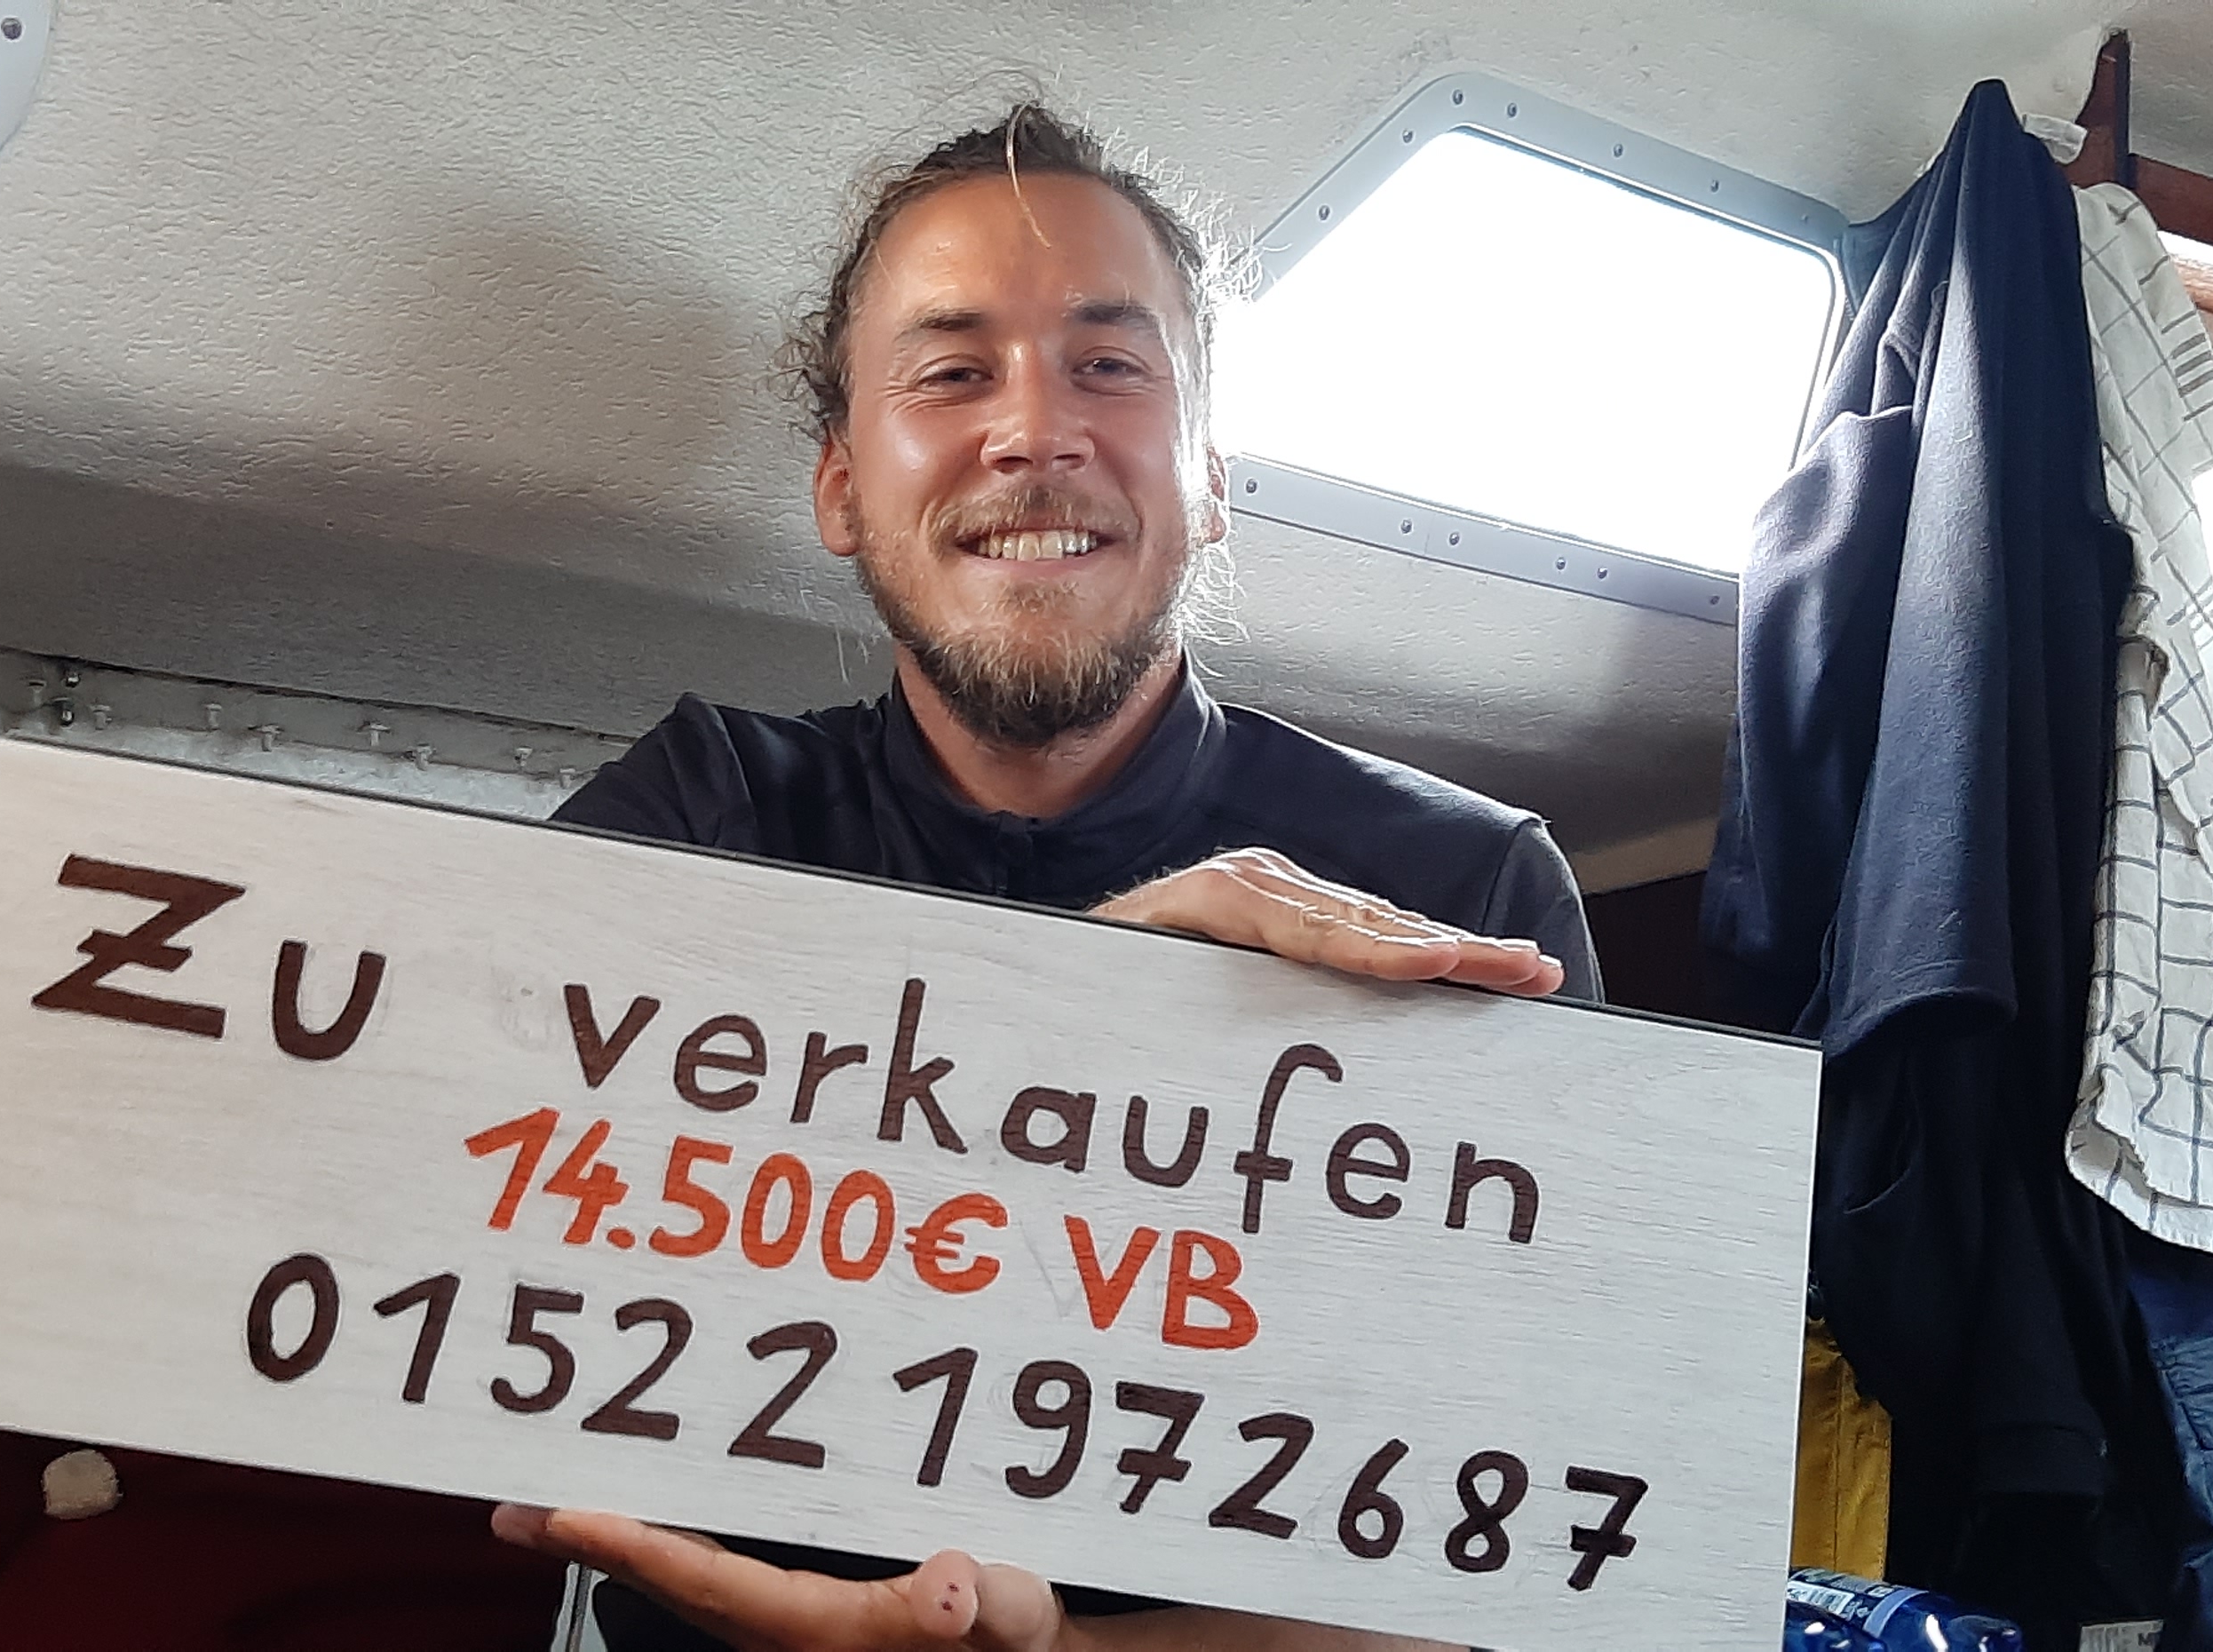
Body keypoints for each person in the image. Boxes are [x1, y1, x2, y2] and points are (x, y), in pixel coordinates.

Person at [501, 102, 1600, 1652]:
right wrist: (1086, 1001)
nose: (1035, 431)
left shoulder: (1466, 891)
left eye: (1110, 365)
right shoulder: (700, 808)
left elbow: (1525, 1541)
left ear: (1207, 480)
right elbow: (451, 1264)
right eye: (953, 373)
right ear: (841, 488)